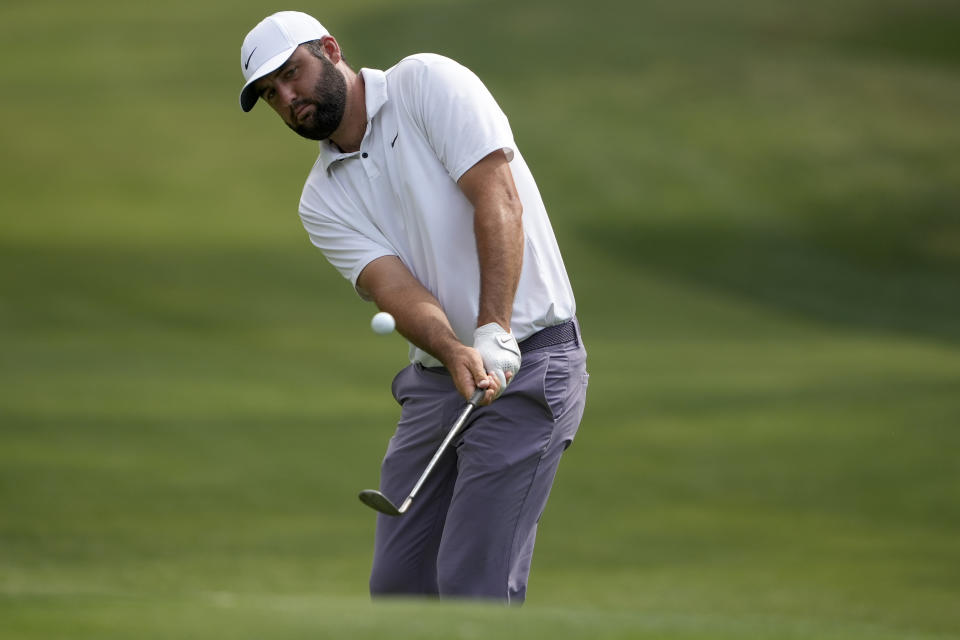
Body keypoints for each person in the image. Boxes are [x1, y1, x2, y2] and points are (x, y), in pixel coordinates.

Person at [238, 11, 588, 603]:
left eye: (292, 74)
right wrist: (454, 349)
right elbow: (396, 292)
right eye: (272, 94)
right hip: (438, 380)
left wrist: (493, 329)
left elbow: (498, 200)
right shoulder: (321, 199)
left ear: (330, 48)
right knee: (399, 588)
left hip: (530, 364)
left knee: (472, 583)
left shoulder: (426, 83)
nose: (289, 97)